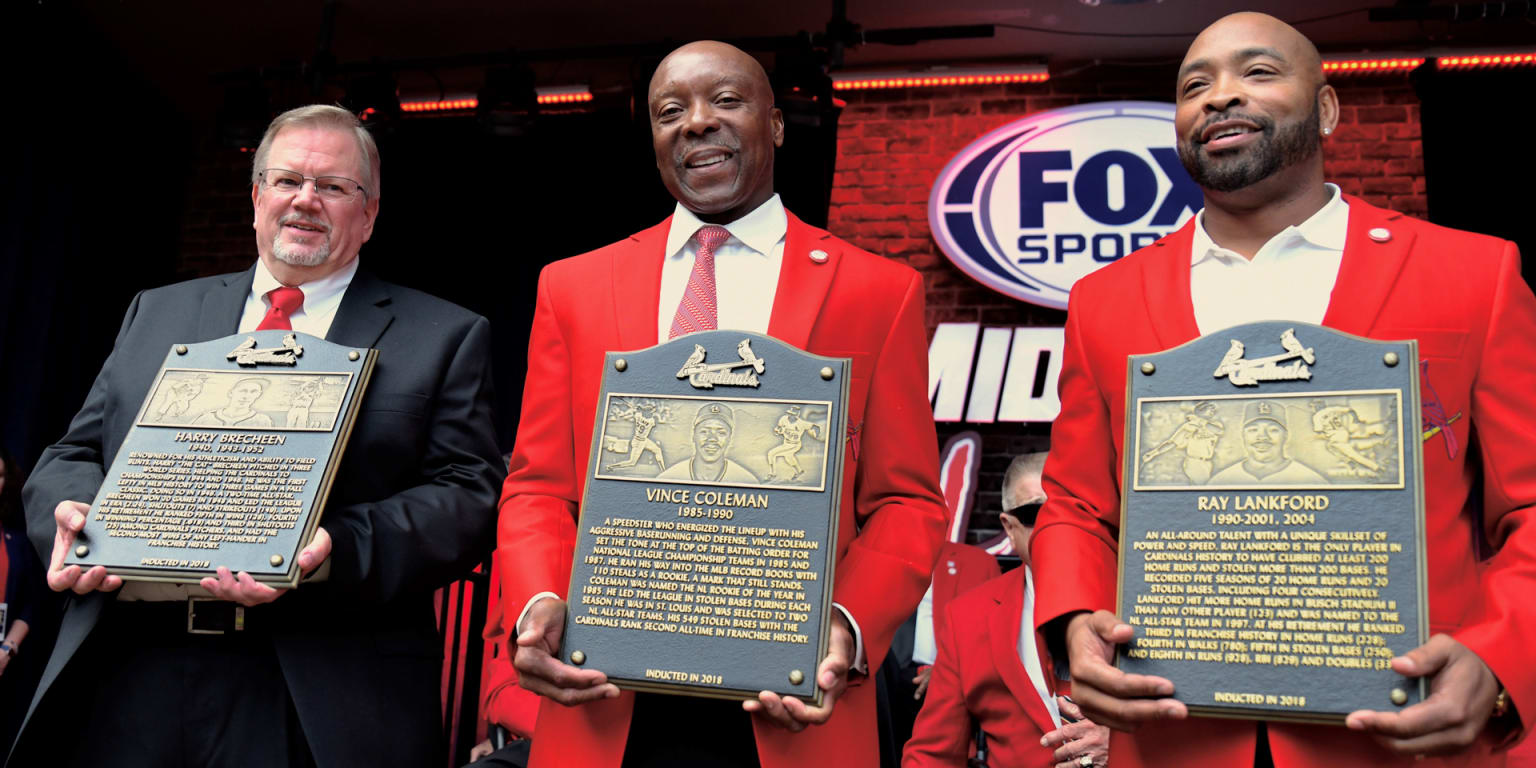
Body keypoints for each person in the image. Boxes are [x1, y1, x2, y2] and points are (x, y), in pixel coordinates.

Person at [1031, 11, 1531, 767]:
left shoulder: (1474, 275)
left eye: (1258, 73)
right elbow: (1077, 505)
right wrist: (1074, 623)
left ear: (1327, 108)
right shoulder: (1106, 300)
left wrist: (1499, 661)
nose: (1220, 96)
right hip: (1177, 741)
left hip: (1408, 740)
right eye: (1194, 86)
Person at [496, 40, 947, 768]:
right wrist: (539, 598)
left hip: (793, 710)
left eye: (726, 101)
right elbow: (537, 486)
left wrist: (844, 625)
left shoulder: (877, 292)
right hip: (606, 699)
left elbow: (906, 501)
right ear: (652, 140)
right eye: (670, 111)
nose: (696, 123)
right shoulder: (573, 288)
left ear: (775, 123)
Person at [15, 104, 504, 767]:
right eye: (286, 181)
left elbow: (469, 494)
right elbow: (71, 454)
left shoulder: (442, 335)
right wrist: (70, 515)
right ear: (255, 199)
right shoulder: (157, 311)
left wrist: (336, 548)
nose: (306, 200)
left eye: (333, 186)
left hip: (313, 685)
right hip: (130, 666)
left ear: (369, 214)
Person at [904, 453, 1110, 768]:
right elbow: (933, 755)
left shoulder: (1144, 599)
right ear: (1010, 528)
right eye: (1037, 512)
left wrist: (1123, 742)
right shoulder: (968, 618)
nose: (1059, 522)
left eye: (1072, 507)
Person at [1207, 400, 1325, 484]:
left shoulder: (1311, 479)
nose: (1262, 437)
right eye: (1253, 430)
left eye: (1273, 430)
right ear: (1243, 435)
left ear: (1286, 436)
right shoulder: (1221, 480)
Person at [656, 402, 758, 483]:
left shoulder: (747, 482)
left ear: (729, 439)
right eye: (704, 431)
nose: (712, 439)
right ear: (693, 436)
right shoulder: (668, 478)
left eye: (721, 433)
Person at [192, 376, 276, 428]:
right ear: (231, 392)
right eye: (243, 390)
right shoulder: (206, 418)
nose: (247, 396)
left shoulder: (262, 420)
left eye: (253, 392)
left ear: (258, 395)